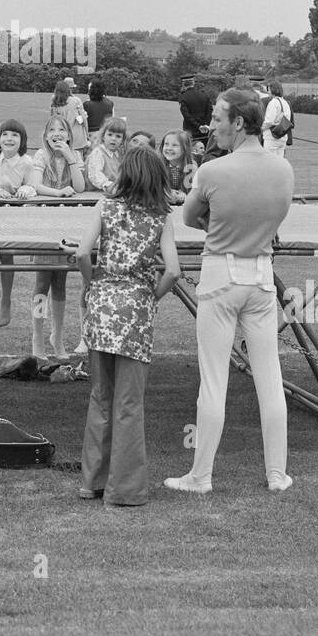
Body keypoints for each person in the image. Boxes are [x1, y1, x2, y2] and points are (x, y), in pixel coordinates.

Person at [166, 87, 295, 496]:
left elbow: (189, 216)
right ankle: (277, 473)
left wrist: (215, 225)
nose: (213, 126)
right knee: (269, 379)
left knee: (214, 381)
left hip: (222, 276)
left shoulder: (213, 171)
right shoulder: (283, 170)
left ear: (239, 122)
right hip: (260, 279)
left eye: (219, 119)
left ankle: (201, 475)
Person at [76, 145, 180, 508]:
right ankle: (125, 488)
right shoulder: (160, 217)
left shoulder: (104, 206)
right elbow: (173, 270)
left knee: (100, 398)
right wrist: (152, 296)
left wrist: (92, 284)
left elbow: (81, 253)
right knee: (129, 403)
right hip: (135, 313)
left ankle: (92, 481)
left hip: (101, 309)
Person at [29, 114, 86, 358]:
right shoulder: (41, 155)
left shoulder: (75, 156)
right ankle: (37, 337)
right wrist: (58, 193)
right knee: (42, 283)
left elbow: (81, 187)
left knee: (61, 283)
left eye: (61, 129)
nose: (57, 133)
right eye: (52, 129)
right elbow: (34, 185)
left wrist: (71, 158)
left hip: (67, 227)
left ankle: (58, 337)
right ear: (45, 135)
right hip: (44, 225)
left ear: (69, 135)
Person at [0, 119, 40, 328]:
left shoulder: (27, 162)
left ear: (22, 141)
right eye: (5, 134)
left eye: (14, 135)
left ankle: (6, 301)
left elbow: (33, 187)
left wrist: (24, 191)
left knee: (8, 254)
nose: (9, 139)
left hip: (13, 217)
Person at [85, 117, 127, 193]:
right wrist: (108, 185)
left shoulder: (120, 154)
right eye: (110, 135)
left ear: (122, 140)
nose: (113, 139)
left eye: (118, 136)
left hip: (114, 191)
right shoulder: (98, 152)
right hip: (96, 192)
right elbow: (95, 175)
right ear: (103, 136)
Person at [159, 130, 196, 205]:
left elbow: (190, 190)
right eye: (166, 144)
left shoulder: (190, 166)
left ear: (185, 148)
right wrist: (166, 192)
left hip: (184, 206)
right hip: (162, 203)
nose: (169, 148)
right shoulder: (159, 165)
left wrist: (183, 195)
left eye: (174, 145)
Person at [260, 79, 293, 157]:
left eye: (269, 89)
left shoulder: (273, 102)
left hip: (271, 138)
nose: (268, 92)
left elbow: (269, 122)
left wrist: (260, 129)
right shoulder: (285, 103)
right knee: (279, 162)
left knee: (269, 163)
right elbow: (287, 120)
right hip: (282, 137)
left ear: (272, 89)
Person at [62, 76, 90, 160]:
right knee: (78, 162)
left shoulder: (57, 100)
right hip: (76, 136)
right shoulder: (76, 100)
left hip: (63, 135)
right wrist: (87, 134)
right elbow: (84, 118)